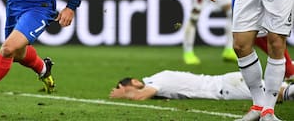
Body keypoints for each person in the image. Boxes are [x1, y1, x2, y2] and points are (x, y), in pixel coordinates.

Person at [109, 70, 294, 102]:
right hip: (228, 83)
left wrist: (123, 94)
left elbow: (141, 96)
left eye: (124, 87)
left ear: (134, 82)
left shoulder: (156, 81)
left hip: (228, 87)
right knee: (279, 89)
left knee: (280, 93)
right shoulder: (157, 80)